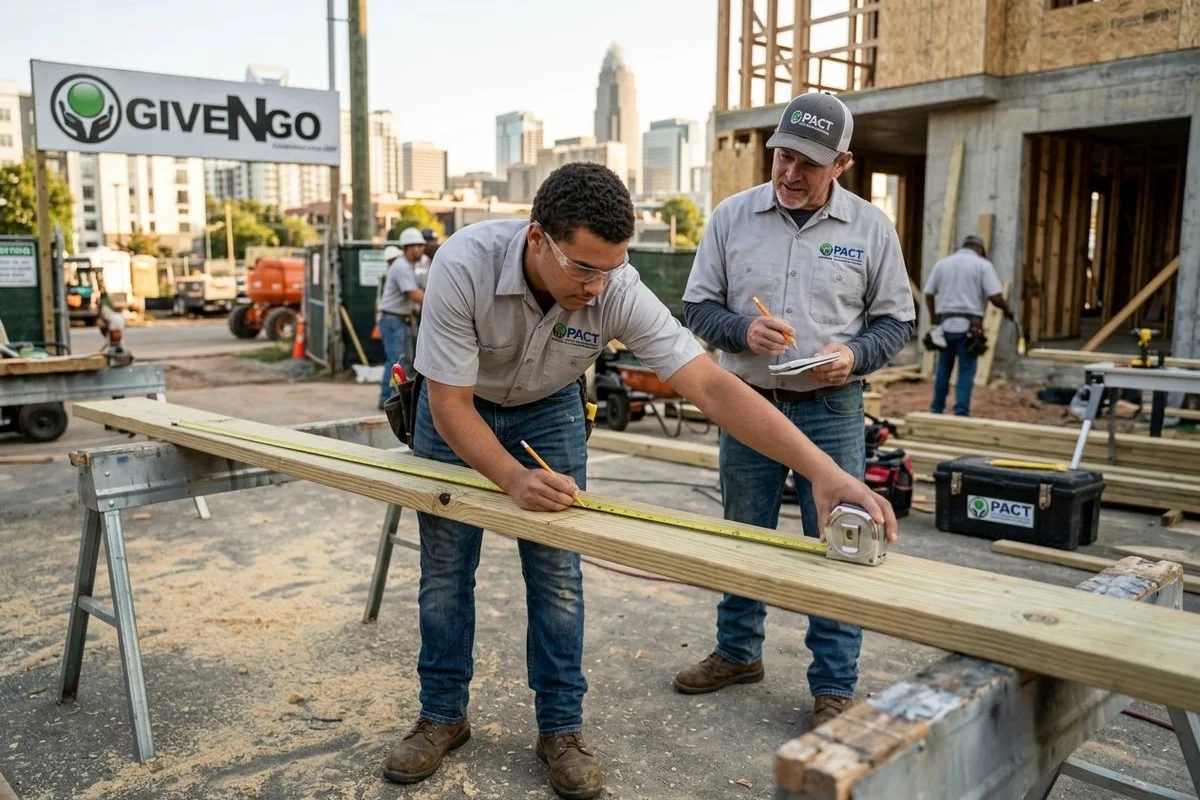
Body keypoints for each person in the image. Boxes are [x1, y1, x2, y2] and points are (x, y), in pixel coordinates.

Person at [381, 162, 897, 799]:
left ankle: (561, 729)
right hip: (458, 406)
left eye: (611, 268)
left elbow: (709, 385)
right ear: (537, 238)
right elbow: (450, 406)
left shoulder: (615, 283)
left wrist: (824, 472)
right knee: (445, 570)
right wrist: (513, 478)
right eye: (583, 269)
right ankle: (441, 716)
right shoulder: (465, 263)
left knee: (558, 575)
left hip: (549, 407)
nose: (597, 286)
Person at [678, 91, 916, 729]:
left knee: (841, 539)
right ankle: (738, 653)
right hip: (748, 404)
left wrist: (855, 354)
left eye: (808, 163)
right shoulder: (732, 217)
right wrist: (740, 331)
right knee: (743, 532)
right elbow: (696, 307)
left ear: (842, 164)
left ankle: (833, 685)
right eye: (782, 156)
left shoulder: (870, 228)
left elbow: (897, 321)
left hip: (831, 406)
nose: (789, 172)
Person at [923, 233, 1014, 416]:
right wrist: (1007, 310)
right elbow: (995, 296)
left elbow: (929, 293)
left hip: (945, 325)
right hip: (969, 328)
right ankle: (961, 410)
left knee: (943, 369)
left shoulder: (943, 264)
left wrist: (933, 319)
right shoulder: (982, 265)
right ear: (979, 249)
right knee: (966, 370)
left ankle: (937, 408)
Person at [375, 229, 427, 409]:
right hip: (393, 319)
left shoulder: (410, 267)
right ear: (407, 248)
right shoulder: (401, 267)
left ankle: (389, 399)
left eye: (421, 245)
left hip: (400, 319)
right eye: (417, 245)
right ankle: (390, 401)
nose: (421, 249)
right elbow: (414, 294)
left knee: (401, 361)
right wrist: (441, 303)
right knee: (396, 361)